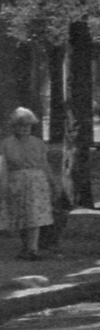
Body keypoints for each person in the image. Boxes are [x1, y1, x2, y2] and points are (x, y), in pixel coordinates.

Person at [0, 107, 57, 261]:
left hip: (36, 181)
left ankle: (33, 249)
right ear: (14, 127)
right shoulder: (6, 144)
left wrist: (52, 182)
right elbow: (3, 166)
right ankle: (26, 247)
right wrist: (4, 186)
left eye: (28, 125)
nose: (25, 129)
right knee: (21, 216)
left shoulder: (38, 143)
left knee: (35, 215)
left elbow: (45, 164)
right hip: (16, 181)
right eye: (21, 125)